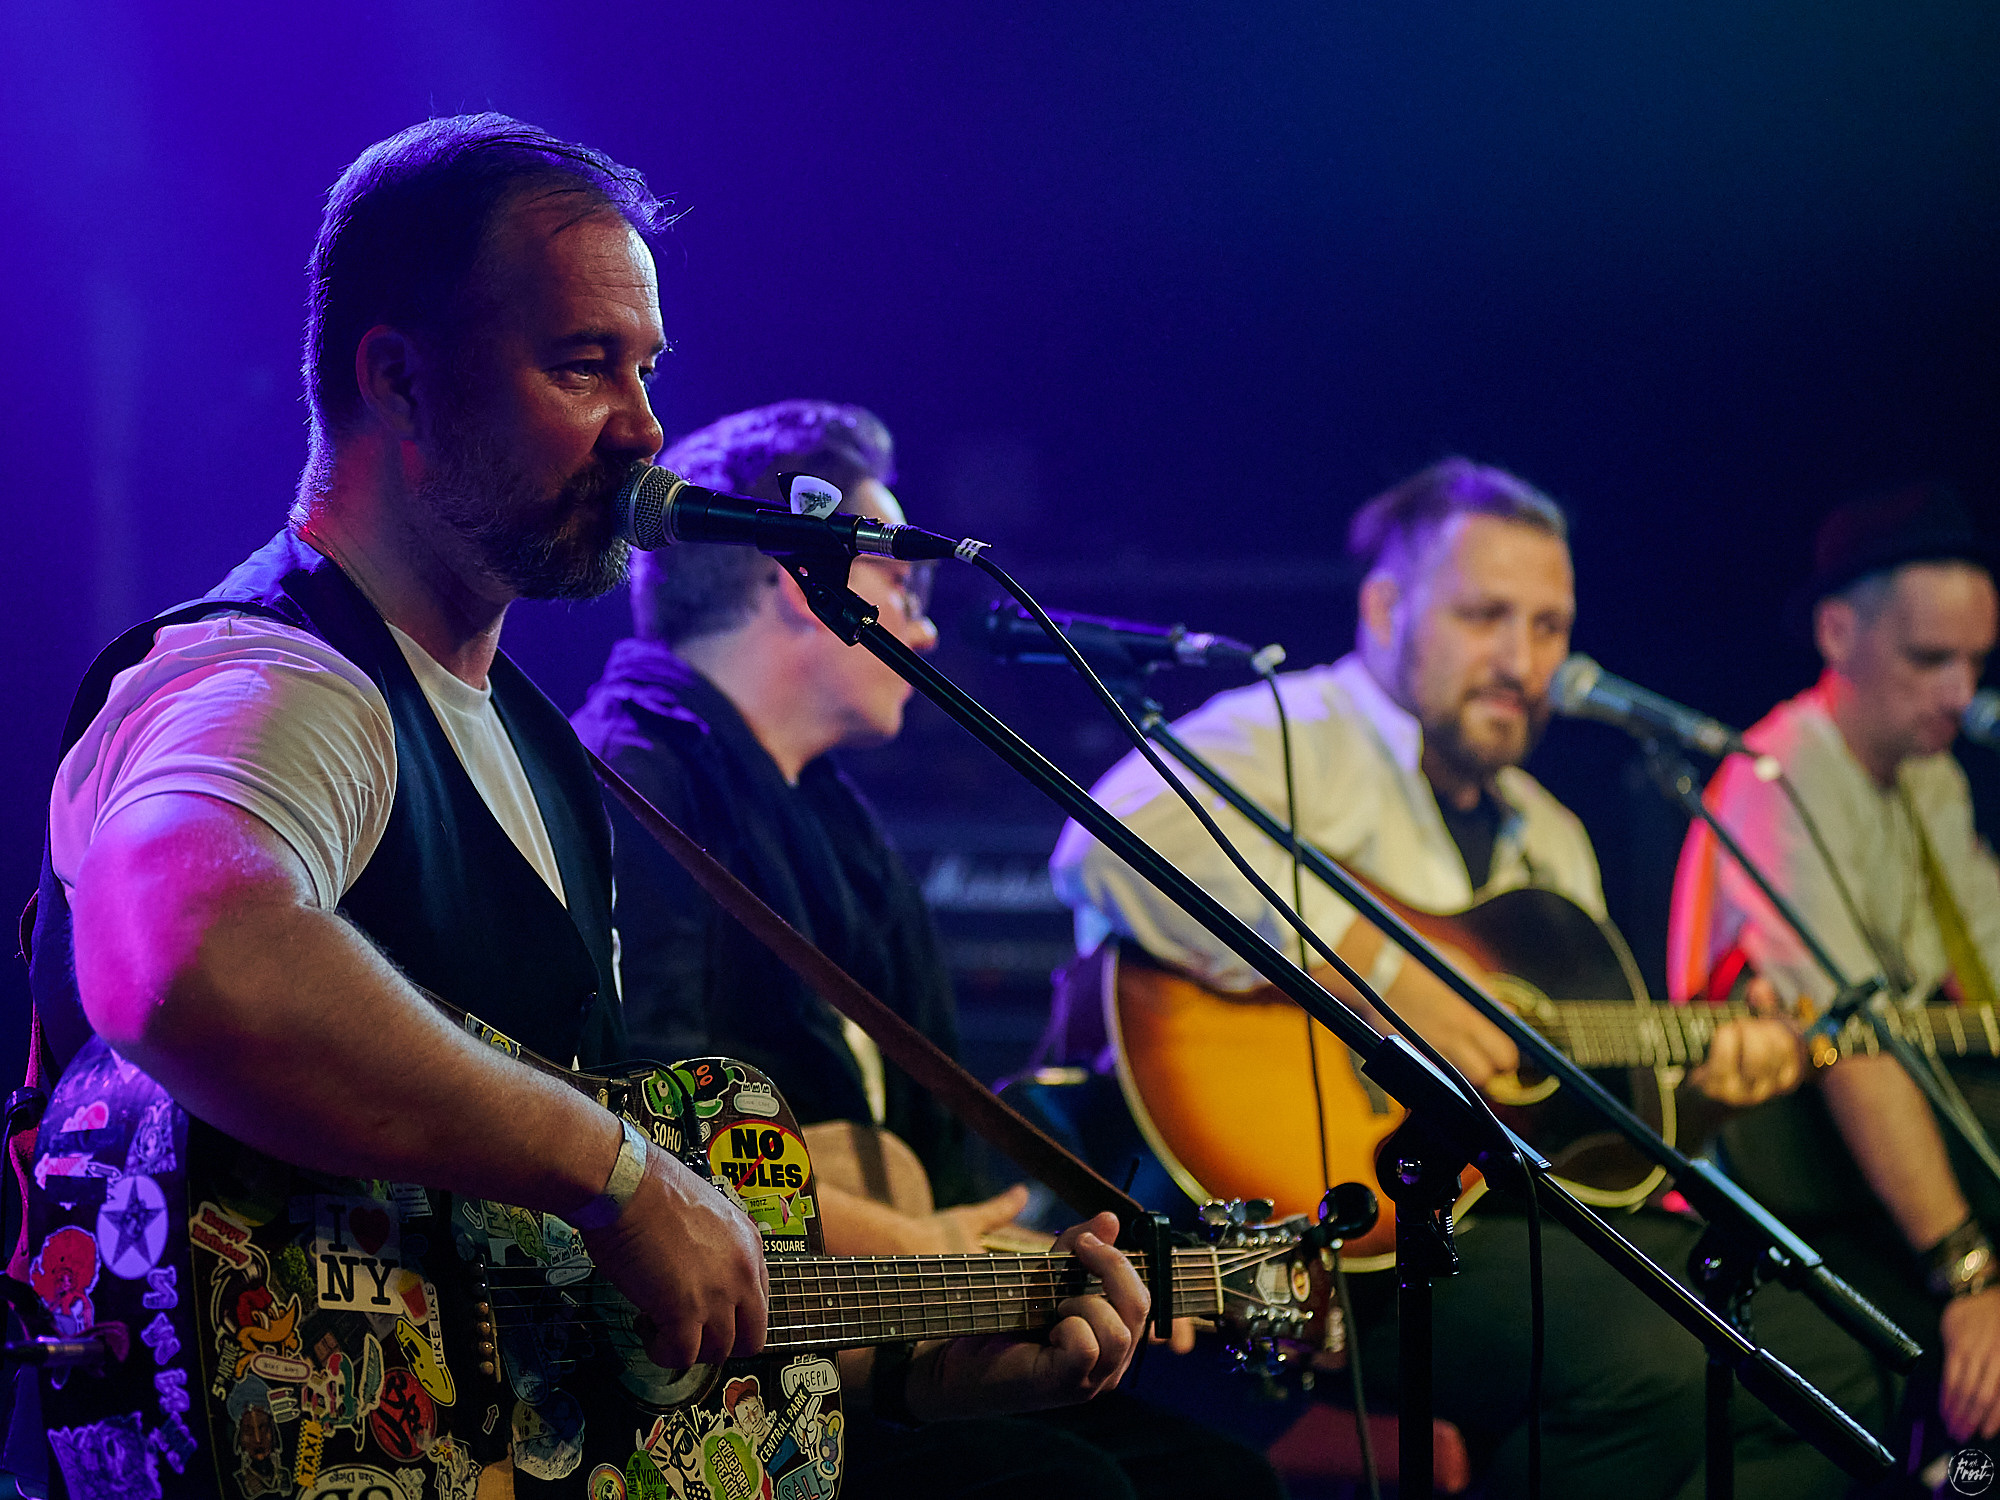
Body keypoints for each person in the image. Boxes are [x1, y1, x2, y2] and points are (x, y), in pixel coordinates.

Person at [17, 118, 1145, 1494]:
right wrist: (617, 1171)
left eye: (645, 367)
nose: (645, 429)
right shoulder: (274, 682)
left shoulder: (544, 753)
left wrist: (915, 1373)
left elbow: (566, 1303)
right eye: (580, 365)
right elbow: (182, 957)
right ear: (399, 381)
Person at [1051, 458, 1884, 1498]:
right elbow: (1109, 838)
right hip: (1327, 1238)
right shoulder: (1293, 729)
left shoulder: (1550, 835)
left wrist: (1709, 1100)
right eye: (1485, 616)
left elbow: (1576, 1135)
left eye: (1548, 626)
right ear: (1384, 609)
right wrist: (1382, 972)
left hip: (1490, 1222)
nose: (1522, 661)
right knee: (1650, 1365)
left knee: (1838, 1369)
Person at [573, 398, 1288, 1499]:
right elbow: (645, 1119)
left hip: (862, 1346)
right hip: (698, 1382)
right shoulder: (633, 781)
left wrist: (1023, 1261)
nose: (925, 627)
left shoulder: (840, 825)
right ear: (797, 576)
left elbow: (932, 1159)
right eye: (902, 584)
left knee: (1215, 1479)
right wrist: (923, 1247)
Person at [1668, 485, 2000, 1452]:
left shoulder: (1930, 777)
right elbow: (1849, 1043)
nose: (1961, 692)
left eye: (1976, 661)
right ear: (1836, 632)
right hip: (1790, 1181)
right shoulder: (1778, 779)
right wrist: (1968, 1272)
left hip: (1887, 1163)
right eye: (1929, 659)